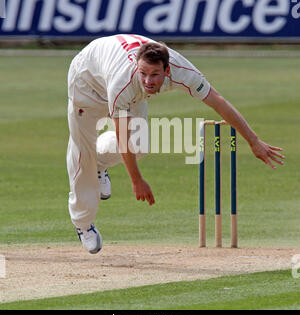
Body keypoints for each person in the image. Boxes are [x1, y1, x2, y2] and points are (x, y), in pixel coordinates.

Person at [67, 34, 285, 254]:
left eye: (155, 75)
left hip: (124, 85)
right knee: (83, 154)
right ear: (136, 66)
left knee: (140, 145)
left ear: (168, 70)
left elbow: (217, 102)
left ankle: (99, 164)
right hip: (87, 84)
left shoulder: (183, 71)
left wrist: (254, 141)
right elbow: (122, 135)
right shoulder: (123, 82)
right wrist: (137, 180)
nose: (148, 82)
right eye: (143, 73)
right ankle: (83, 223)